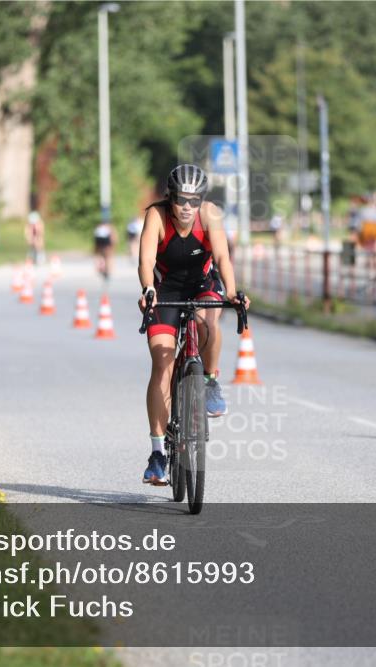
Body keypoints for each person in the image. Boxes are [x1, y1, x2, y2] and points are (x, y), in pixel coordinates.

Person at [137, 164, 249, 485]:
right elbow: (145, 261)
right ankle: (158, 454)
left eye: (194, 200)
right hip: (165, 290)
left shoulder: (210, 215)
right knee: (162, 363)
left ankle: (211, 381)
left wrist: (231, 292)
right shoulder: (157, 216)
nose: (187, 207)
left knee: (209, 319)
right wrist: (148, 290)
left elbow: (224, 259)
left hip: (203, 283)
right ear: (170, 197)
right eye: (181, 200)